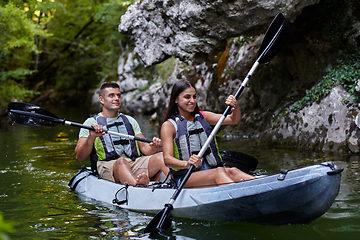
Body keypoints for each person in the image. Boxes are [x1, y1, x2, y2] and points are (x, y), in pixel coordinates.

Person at [161, 79, 255, 188]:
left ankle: (264, 184)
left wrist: (235, 106)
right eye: (187, 97)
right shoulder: (169, 125)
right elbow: (167, 160)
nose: (192, 101)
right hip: (185, 177)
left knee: (233, 171)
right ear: (176, 99)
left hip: (210, 171)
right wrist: (187, 164)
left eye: (194, 97)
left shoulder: (203, 116)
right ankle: (240, 193)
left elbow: (234, 120)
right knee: (219, 172)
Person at [75, 82, 169, 186]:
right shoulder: (90, 123)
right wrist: (91, 137)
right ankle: (139, 187)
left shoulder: (130, 120)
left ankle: (180, 186)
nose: (116, 98)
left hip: (133, 163)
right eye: (111, 95)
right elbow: (79, 157)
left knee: (161, 156)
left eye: (118, 95)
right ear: (101, 100)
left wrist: (154, 147)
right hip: (108, 166)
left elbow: (145, 149)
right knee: (121, 162)